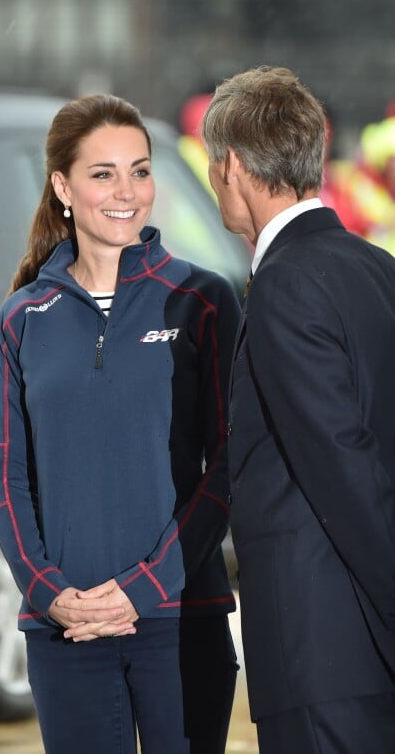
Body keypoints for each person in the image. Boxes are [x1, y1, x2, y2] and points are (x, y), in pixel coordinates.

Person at [0, 94, 240, 754]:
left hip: (181, 621)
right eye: (103, 174)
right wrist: (46, 590)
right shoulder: (23, 316)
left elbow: (233, 461)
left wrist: (145, 588)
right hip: (63, 626)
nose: (127, 191)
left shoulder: (202, 301)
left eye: (141, 170)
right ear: (63, 187)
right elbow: (6, 472)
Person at [202, 65, 395, 754]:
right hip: (362, 652)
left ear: (230, 166)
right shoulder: (378, 269)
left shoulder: (284, 282)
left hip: (324, 650)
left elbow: (342, 470)